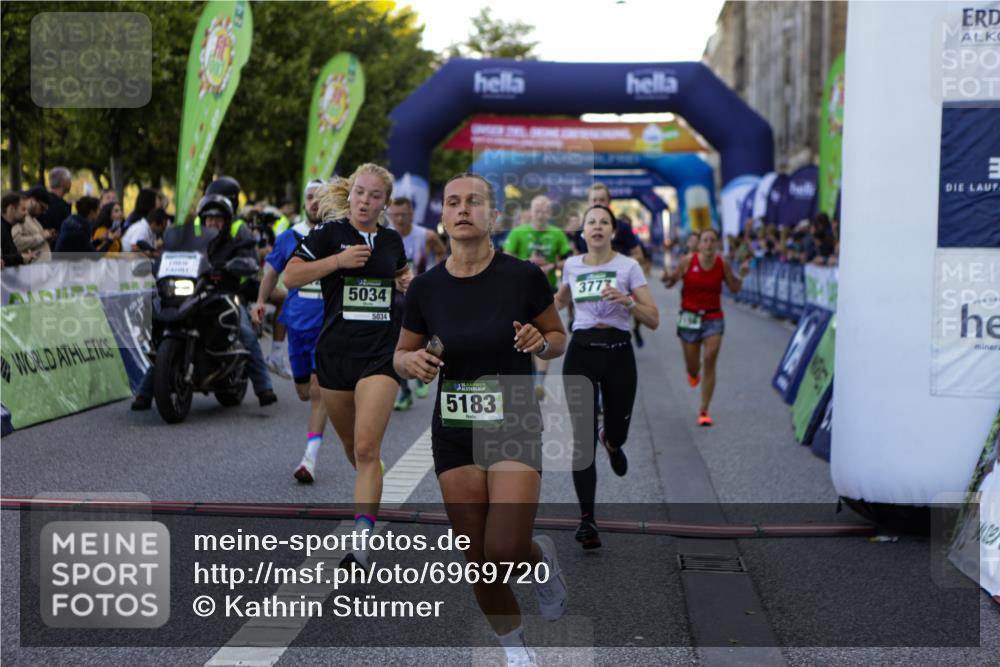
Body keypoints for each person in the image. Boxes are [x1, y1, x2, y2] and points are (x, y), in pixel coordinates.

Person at [395, 173, 568, 667]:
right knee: (480, 562)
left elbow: (558, 337)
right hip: (454, 430)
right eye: (453, 202)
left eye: (475, 202)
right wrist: (411, 364)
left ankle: (539, 560)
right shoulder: (426, 289)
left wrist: (541, 342)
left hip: (512, 418)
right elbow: (401, 354)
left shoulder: (523, 277)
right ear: (444, 217)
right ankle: (516, 652)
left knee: (506, 547)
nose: (463, 209)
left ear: (493, 216)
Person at [284, 163, 410, 570]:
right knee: (350, 447)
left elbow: (402, 274)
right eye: (359, 192)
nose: (365, 201)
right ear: (350, 194)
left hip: (381, 353)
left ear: (384, 203)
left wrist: (405, 283)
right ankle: (371, 480)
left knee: (365, 446)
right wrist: (337, 263)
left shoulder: (392, 241)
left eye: (375, 196)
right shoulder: (329, 234)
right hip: (335, 354)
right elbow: (291, 276)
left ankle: (360, 544)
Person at [554, 204, 659, 549]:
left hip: (618, 352)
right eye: (591, 222)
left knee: (617, 431)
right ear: (583, 232)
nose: (597, 227)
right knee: (582, 443)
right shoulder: (571, 265)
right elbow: (555, 304)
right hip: (581, 351)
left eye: (604, 222)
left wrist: (628, 302)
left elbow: (654, 318)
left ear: (613, 231)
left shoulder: (627, 266)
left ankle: (612, 441)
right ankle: (587, 521)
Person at [131, 190, 277, 410]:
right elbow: (172, 256)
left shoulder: (235, 240)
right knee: (167, 332)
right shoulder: (191, 240)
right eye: (209, 218)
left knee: (245, 331)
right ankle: (145, 391)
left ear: (226, 221)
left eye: (218, 219)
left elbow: (250, 259)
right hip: (193, 292)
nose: (213, 222)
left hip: (225, 293)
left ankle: (264, 387)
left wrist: (236, 265)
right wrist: (155, 264)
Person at [252, 179, 329, 483]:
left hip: (329, 323)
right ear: (303, 202)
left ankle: (309, 459)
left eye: (320, 198)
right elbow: (271, 274)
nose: (314, 202)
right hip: (298, 325)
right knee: (304, 392)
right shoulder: (288, 237)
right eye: (310, 197)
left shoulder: (337, 237)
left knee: (318, 393)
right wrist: (260, 301)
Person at [661, 228, 749, 426]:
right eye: (705, 240)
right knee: (693, 367)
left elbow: (734, 288)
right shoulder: (687, 262)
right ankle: (693, 374)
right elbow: (671, 283)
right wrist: (666, 277)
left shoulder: (721, 263)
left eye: (712, 240)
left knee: (710, 358)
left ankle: (704, 410)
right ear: (699, 244)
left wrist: (741, 276)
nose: (709, 244)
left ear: (717, 244)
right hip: (689, 317)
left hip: (713, 317)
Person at [503, 194, 572, 400]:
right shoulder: (519, 232)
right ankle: (532, 374)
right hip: (520, 290)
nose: (541, 214)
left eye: (544, 210)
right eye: (537, 210)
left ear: (549, 213)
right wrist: (527, 261)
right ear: (531, 212)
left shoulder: (557, 234)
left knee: (545, 331)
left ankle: (539, 380)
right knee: (525, 332)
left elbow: (568, 261)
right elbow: (506, 258)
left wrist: (552, 265)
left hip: (547, 288)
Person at [387, 195, 447, 410]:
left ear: (412, 214)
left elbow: (442, 253)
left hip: (423, 297)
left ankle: (425, 369)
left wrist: (435, 278)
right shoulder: (386, 237)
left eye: (404, 214)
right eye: (395, 215)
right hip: (396, 297)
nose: (400, 219)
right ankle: (403, 391)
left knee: (435, 337)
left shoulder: (426, 235)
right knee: (397, 344)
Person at [14, 186, 52, 263]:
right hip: (29, 270)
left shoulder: (33, 219)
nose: (43, 212)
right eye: (42, 208)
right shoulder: (19, 217)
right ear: (33, 201)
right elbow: (16, 242)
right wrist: (41, 237)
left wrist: (47, 236)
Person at [2, 192, 33, 267]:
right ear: (11, 209)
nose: (26, 213)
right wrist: (20, 258)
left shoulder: (6, 228)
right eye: (23, 209)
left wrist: (22, 256)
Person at [38, 167, 72, 234]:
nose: (71, 183)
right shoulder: (60, 206)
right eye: (69, 180)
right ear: (63, 182)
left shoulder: (43, 200)